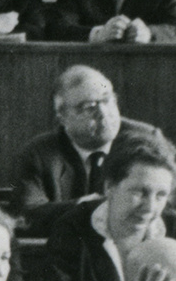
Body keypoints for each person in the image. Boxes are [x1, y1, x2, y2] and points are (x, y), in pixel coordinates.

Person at [42, 130, 176, 281]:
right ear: (109, 187)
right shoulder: (72, 226)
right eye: (139, 192)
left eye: (161, 195)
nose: (149, 207)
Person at [9, 65, 164, 218]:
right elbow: (26, 214)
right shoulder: (37, 154)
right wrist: (84, 207)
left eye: (107, 100)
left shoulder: (147, 140)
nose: (103, 113)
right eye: (89, 107)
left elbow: (171, 203)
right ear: (62, 118)